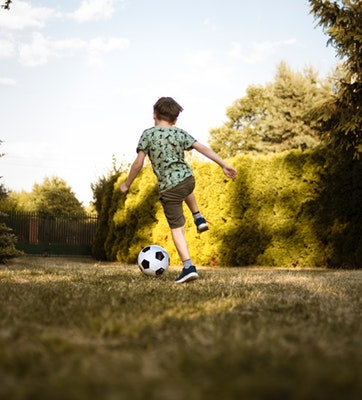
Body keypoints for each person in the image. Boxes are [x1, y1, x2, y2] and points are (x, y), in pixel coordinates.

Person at [120, 97, 237, 283]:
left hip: (169, 190)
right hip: (188, 180)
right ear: (175, 120)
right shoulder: (179, 133)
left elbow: (138, 163)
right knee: (183, 184)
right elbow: (203, 148)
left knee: (177, 230)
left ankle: (188, 266)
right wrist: (224, 164)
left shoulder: (148, 134)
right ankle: (198, 216)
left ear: (154, 115)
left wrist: (127, 184)